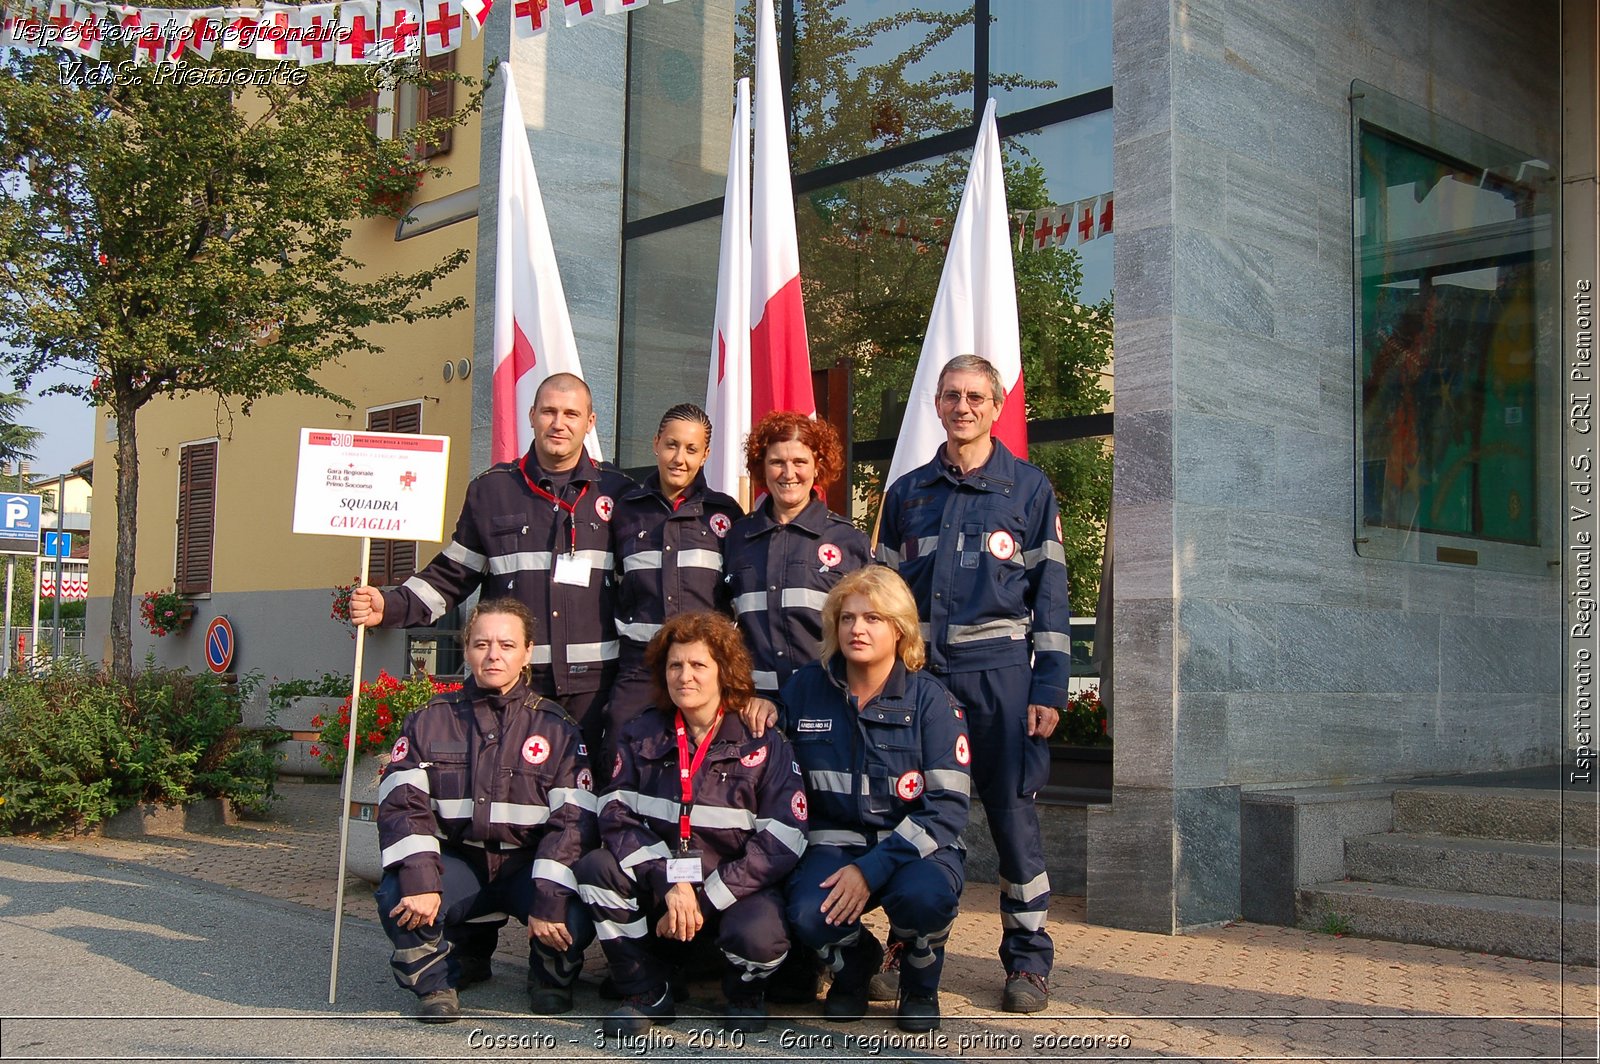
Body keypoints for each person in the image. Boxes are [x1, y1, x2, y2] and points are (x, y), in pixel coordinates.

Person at [875, 354, 1071, 1014]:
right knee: (916, 814)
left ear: (994, 407)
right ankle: (910, 943)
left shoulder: (1028, 489)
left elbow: (1050, 597)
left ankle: (1028, 962)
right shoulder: (907, 493)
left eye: (976, 397)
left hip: (1004, 684)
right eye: (952, 395)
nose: (963, 406)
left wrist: (1049, 691)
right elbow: (882, 597)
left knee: (1014, 820)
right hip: (924, 686)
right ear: (937, 404)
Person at [349, 373, 633, 766]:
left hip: (593, 687)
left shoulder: (617, 492)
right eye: (549, 411)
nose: (559, 423)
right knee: (513, 792)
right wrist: (391, 604)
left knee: (588, 797)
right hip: (514, 685)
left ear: (590, 422)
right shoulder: (492, 490)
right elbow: (454, 573)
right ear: (531, 415)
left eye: (571, 413)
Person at [575, 612, 808, 1038]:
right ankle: (646, 990)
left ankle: (743, 993)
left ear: (725, 672)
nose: (685, 676)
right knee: (596, 868)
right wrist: (668, 882)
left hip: (734, 891)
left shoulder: (761, 740)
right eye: (675, 665)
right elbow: (615, 812)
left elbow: (783, 840)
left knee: (761, 937)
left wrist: (703, 900)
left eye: (699, 665)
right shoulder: (640, 731)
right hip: (663, 891)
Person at [374, 598, 597, 1023]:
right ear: (467, 649)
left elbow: (573, 821)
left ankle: (549, 977)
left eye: (507, 645)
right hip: (461, 861)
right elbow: (404, 807)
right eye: (482, 644)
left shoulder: (557, 727)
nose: (493, 654)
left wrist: (549, 899)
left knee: (573, 912)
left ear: (527, 653)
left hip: (528, 868)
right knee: (398, 895)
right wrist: (421, 879)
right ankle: (437, 981)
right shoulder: (429, 720)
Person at [780, 566, 969, 1033]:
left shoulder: (932, 702)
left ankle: (920, 984)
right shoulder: (805, 689)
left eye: (873, 619)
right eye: (847, 618)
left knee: (926, 898)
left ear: (899, 629)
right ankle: (855, 965)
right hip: (834, 846)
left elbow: (946, 808)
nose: (857, 629)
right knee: (806, 912)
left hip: (913, 849)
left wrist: (873, 868)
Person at [607, 404, 743, 736]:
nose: (679, 458)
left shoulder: (725, 514)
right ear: (656, 443)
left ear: (705, 454)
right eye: (671, 444)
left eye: (691, 449)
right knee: (624, 757)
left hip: (702, 672)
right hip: (639, 671)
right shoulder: (625, 510)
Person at [722, 411, 871, 702]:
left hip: (829, 700)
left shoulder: (849, 540)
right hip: (754, 706)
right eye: (777, 462)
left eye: (800, 462)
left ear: (818, 467)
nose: (788, 474)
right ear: (761, 468)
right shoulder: (737, 539)